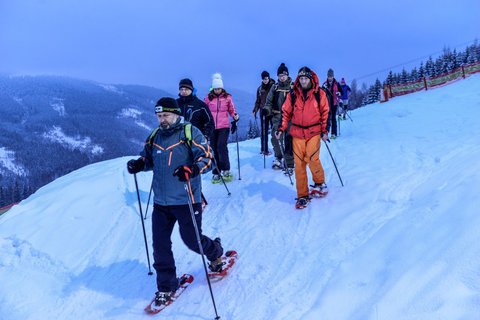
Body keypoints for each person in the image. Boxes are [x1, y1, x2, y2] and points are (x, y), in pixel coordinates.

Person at [126, 97, 224, 307]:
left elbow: (207, 157)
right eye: (159, 116)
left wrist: (192, 169)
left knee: (192, 240)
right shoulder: (155, 136)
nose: (162, 120)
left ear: (176, 114)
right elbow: (148, 158)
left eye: (166, 115)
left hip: (186, 198)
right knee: (160, 245)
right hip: (161, 201)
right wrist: (139, 164)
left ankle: (215, 253)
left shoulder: (190, 132)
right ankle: (166, 285)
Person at [275, 67, 330, 209]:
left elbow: (325, 112)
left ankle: (319, 183)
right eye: (301, 79)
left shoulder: (319, 93)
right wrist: (281, 128)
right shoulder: (293, 94)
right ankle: (302, 195)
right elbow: (285, 112)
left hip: (314, 132)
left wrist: (325, 130)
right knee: (299, 165)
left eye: (306, 78)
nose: (303, 81)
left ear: (310, 79)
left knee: (312, 158)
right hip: (297, 133)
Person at [204, 73, 239, 183]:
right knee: (213, 148)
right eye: (215, 88)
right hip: (212, 127)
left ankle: (226, 170)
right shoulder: (208, 98)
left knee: (221, 146)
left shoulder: (227, 97)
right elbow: (204, 111)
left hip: (224, 126)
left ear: (222, 88)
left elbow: (231, 109)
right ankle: (216, 172)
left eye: (219, 88)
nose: (217, 90)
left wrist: (235, 116)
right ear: (213, 88)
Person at [264, 63, 294, 174]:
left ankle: (290, 161)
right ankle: (278, 157)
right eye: (280, 75)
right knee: (276, 137)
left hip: (291, 117)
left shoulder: (293, 86)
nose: (282, 77)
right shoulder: (275, 87)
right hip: (277, 116)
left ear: (287, 75)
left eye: (284, 75)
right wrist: (266, 109)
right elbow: (269, 102)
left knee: (289, 138)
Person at [252, 70, 275, 155]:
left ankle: (276, 150)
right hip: (263, 112)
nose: (265, 80)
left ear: (269, 78)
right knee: (264, 131)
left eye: (266, 78)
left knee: (274, 131)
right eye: (264, 79)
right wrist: (255, 110)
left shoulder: (274, 86)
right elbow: (258, 101)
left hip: (272, 112)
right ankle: (264, 149)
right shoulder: (260, 89)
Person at [322, 68, 343, 139]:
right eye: (329, 76)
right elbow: (321, 94)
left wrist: (339, 93)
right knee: (327, 118)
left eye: (331, 76)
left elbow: (341, 93)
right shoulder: (324, 84)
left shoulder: (337, 84)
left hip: (334, 103)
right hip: (327, 104)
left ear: (333, 76)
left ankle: (334, 133)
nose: (330, 78)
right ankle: (326, 133)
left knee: (333, 118)